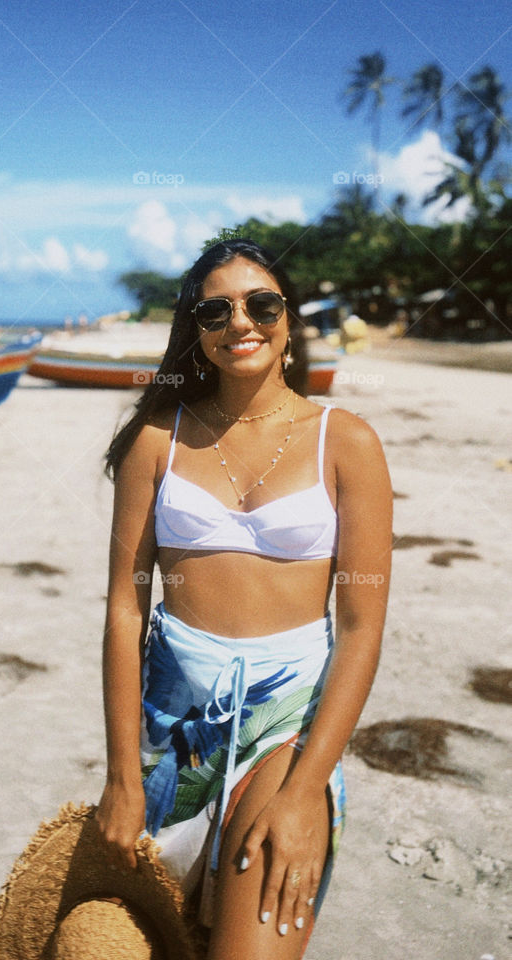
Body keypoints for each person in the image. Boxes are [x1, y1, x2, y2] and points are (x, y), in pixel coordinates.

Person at [95, 237, 392, 959]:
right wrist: (120, 775)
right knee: (164, 941)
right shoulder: (156, 443)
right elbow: (124, 609)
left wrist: (304, 790)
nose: (241, 322)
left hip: (286, 726)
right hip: (171, 726)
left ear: (288, 321)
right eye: (215, 309)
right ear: (194, 330)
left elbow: (359, 628)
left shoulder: (345, 441)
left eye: (262, 304)